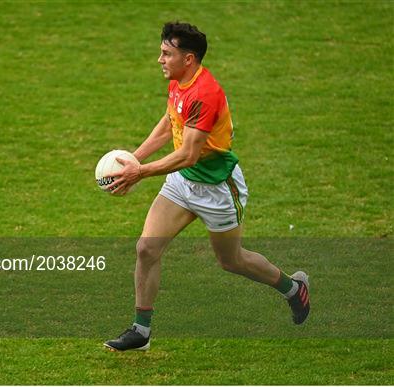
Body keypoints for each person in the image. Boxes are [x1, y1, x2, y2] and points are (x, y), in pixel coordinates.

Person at [103, 22, 310, 352]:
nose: (159, 59)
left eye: (166, 54)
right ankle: (141, 332)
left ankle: (292, 287)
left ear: (188, 58)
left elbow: (188, 154)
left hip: (217, 189)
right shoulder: (179, 82)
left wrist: (139, 172)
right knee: (146, 248)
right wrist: (132, 159)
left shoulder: (205, 94)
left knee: (232, 261)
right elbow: (169, 121)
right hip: (183, 183)